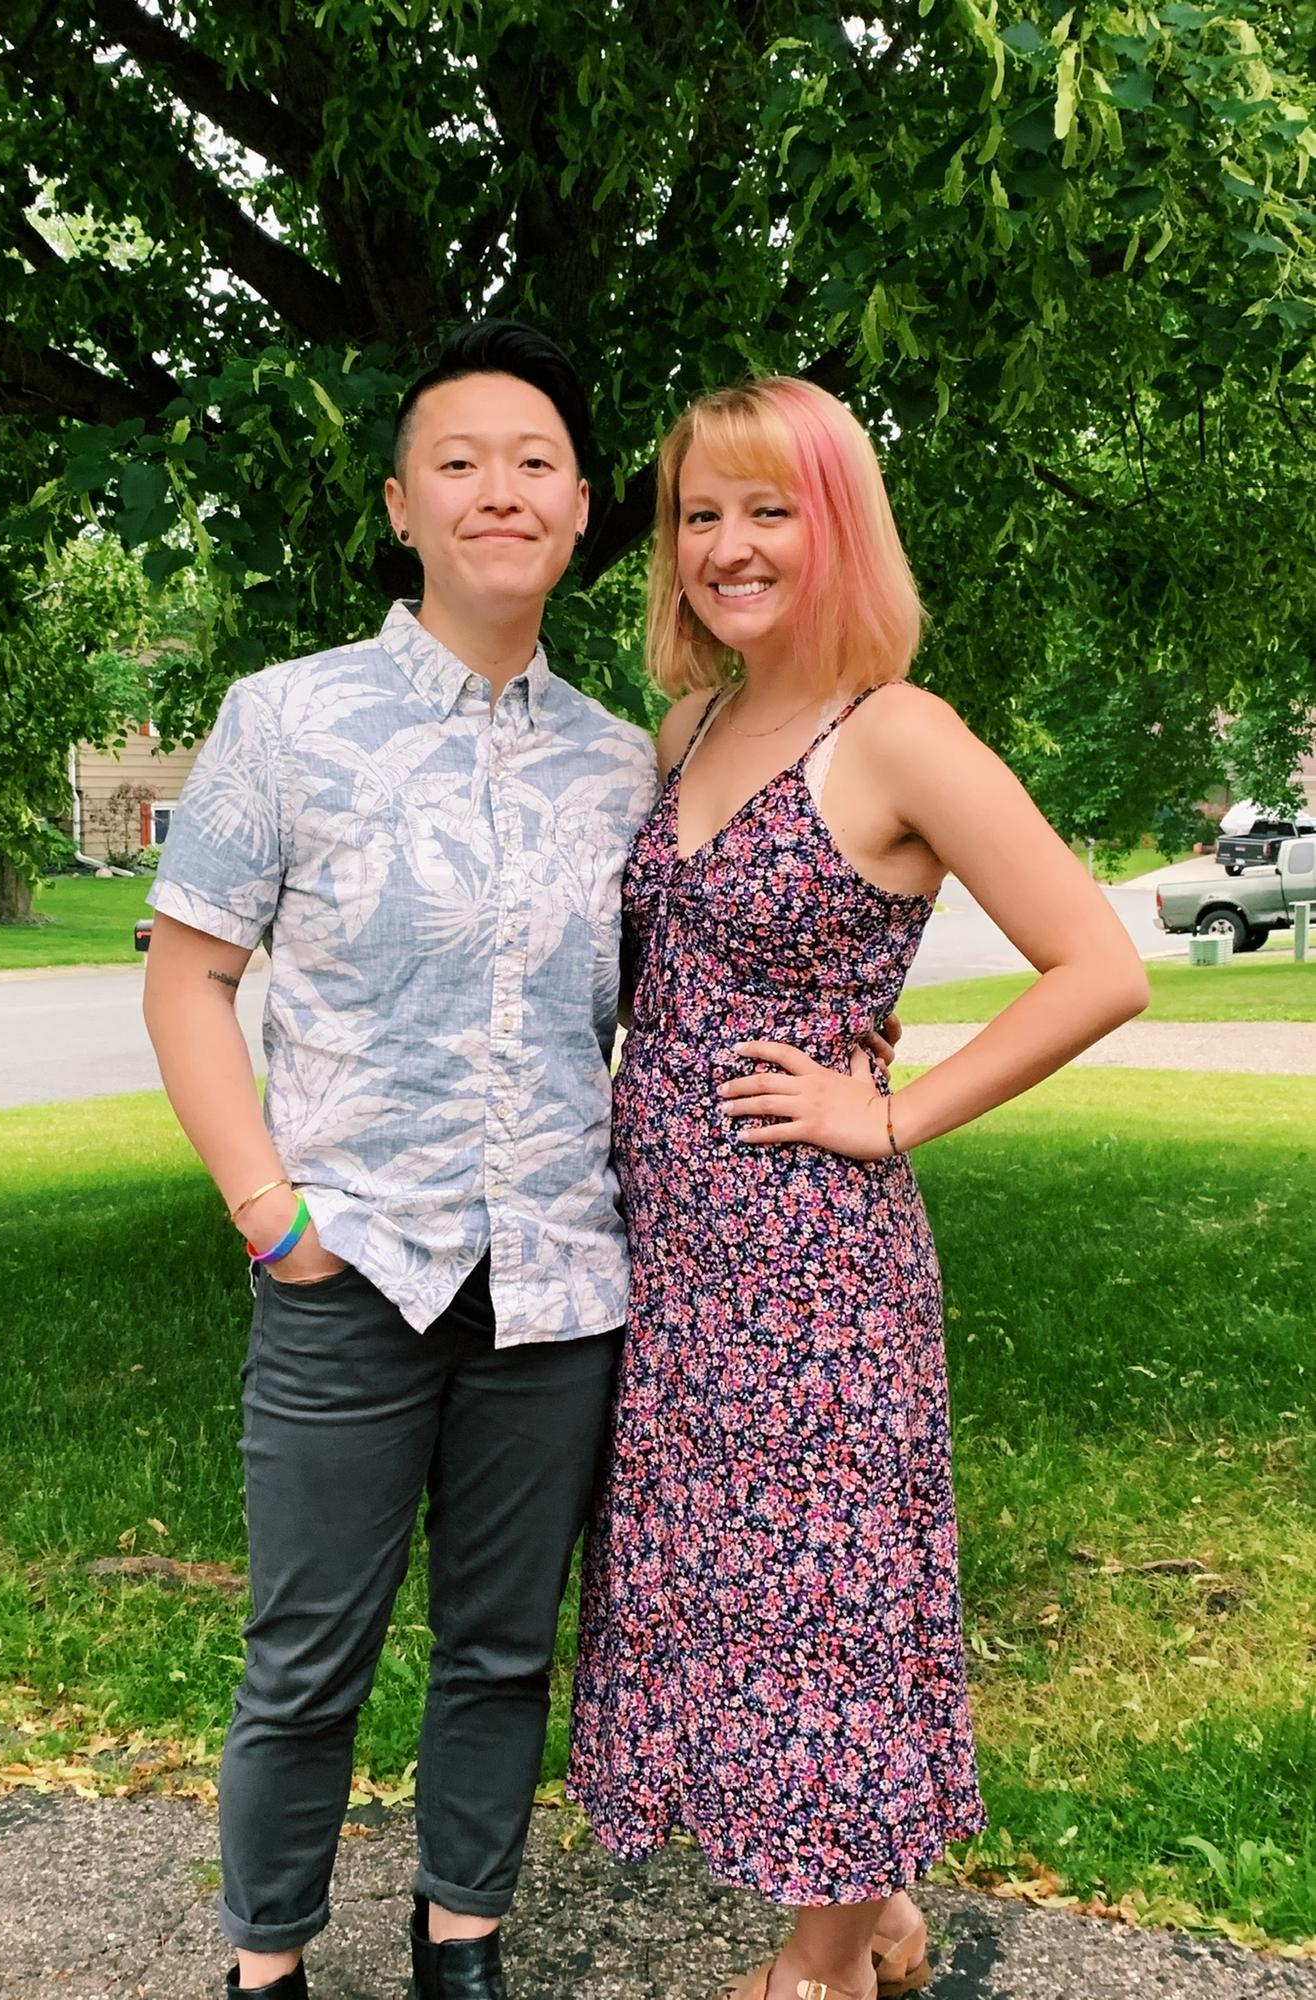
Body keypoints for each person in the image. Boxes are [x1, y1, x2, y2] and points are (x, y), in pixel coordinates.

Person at [567, 377, 1150, 2000]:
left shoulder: (896, 728)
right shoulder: (686, 727)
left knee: (823, 1599)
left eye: (773, 509)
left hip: (815, 1269)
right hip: (674, 1258)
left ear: (839, 525)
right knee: (736, 1591)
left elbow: (1099, 968)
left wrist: (891, 1114)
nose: (732, 546)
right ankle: (878, 1916)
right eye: (701, 513)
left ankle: (818, 1964)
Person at [141, 320, 661, 2000]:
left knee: (505, 1648)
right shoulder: (288, 721)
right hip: (348, 1264)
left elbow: (649, 1003)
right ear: (402, 505)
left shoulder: (621, 758)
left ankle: (463, 1942)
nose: (497, 490)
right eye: (459, 461)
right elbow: (187, 976)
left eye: (533, 464)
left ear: (581, 510)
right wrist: (269, 1214)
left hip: (557, 1283)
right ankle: (267, 1964)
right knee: (306, 1657)